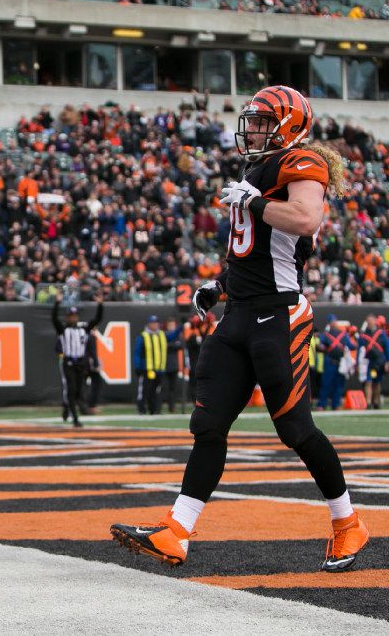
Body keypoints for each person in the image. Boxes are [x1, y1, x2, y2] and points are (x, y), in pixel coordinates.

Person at [112, 86, 368, 573]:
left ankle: (347, 522)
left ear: (288, 125)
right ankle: (177, 532)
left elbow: (305, 217)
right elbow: (253, 252)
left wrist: (254, 203)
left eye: (260, 121)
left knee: (295, 429)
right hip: (241, 313)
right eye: (250, 120)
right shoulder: (255, 171)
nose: (249, 129)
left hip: (280, 314)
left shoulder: (302, 163)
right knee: (208, 425)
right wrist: (219, 284)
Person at [52, 294, 104, 427]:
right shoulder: (63, 329)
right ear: (67, 317)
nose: (73, 318)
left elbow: (97, 319)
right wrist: (57, 303)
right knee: (71, 388)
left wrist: (100, 305)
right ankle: (74, 417)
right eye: (70, 316)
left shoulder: (84, 329)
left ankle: (68, 409)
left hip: (81, 363)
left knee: (79, 390)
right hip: (69, 362)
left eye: (74, 316)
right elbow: (54, 319)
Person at [316, 315, 355, 411]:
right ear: (329, 323)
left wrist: (354, 340)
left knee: (339, 385)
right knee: (326, 384)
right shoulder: (325, 335)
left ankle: (336, 404)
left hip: (340, 363)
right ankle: (322, 404)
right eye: (332, 322)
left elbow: (351, 346)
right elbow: (320, 346)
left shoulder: (343, 335)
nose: (334, 323)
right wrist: (321, 346)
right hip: (329, 362)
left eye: (335, 321)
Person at [133, 315, 166, 415]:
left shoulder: (161, 334)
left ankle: (154, 409)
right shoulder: (143, 336)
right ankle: (141, 409)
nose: (155, 325)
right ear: (149, 324)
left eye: (156, 323)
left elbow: (172, 335)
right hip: (146, 368)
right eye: (153, 323)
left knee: (155, 391)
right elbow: (137, 352)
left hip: (158, 369)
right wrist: (138, 366)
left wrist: (180, 327)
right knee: (144, 390)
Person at [357, 314, 387, 410]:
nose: (369, 323)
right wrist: (358, 363)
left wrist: (387, 362)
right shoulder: (363, 335)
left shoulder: (381, 334)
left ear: (375, 321)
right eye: (368, 321)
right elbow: (359, 350)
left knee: (377, 383)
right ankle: (368, 402)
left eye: (371, 321)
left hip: (379, 362)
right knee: (368, 382)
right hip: (368, 363)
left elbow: (387, 348)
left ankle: (376, 401)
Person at [162, 317, 185, 414]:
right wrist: (173, 344)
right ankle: (163, 406)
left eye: (173, 325)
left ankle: (172, 407)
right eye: (170, 325)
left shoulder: (177, 336)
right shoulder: (164, 334)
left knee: (173, 388)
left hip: (174, 365)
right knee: (164, 387)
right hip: (164, 365)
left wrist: (171, 345)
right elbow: (166, 345)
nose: (171, 327)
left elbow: (181, 345)